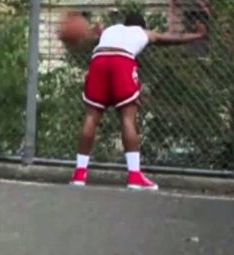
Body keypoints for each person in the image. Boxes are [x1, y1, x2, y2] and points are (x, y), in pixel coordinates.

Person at [69, 11, 206, 190]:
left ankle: (80, 174)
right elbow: (171, 38)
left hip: (99, 60)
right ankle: (134, 176)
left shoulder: (111, 30)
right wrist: (198, 35)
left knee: (91, 118)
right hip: (122, 61)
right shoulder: (143, 33)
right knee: (127, 119)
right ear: (142, 26)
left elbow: (92, 36)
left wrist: (91, 29)